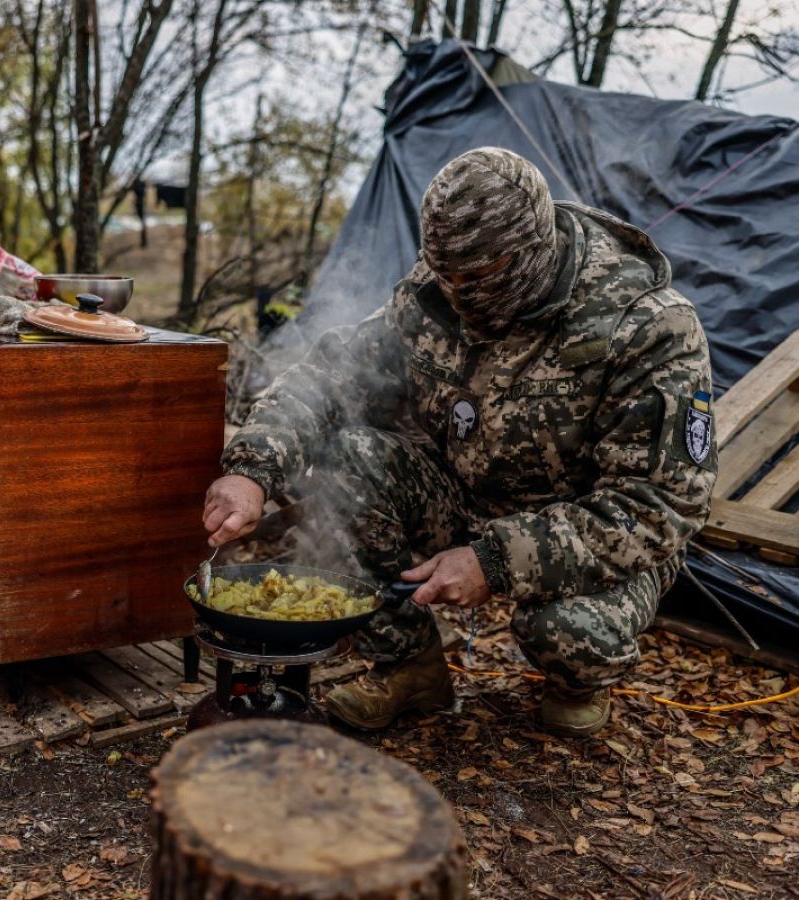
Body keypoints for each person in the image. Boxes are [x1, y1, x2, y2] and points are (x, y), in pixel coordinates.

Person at [203, 147, 717, 736]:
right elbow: (327, 377)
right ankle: (409, 669)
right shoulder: (432, 296)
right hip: (464, 494)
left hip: (592, 533)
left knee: (569, 633)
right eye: (446, 274)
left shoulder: (646, 325)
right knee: (351, 461)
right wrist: (251, 467)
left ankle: (577, 684)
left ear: (530, 252)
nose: (459, 294)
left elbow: (661, 503)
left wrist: (495, 561)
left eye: (480, 277)